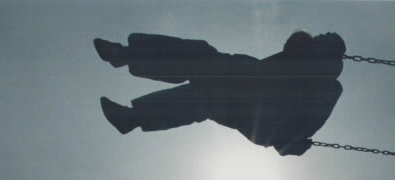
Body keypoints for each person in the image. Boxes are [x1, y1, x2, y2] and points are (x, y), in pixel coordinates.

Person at [94, 31, 346, 156]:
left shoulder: (327, 86)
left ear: (327, 49)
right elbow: (294, 44)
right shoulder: (301, 55)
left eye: (322, 38)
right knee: (201, 89)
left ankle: (126, 59)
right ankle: (132, 114)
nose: (317, 37)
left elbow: (311, 121)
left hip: (262, 112)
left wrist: (290, 142)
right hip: (249, 87)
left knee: (202, 69)